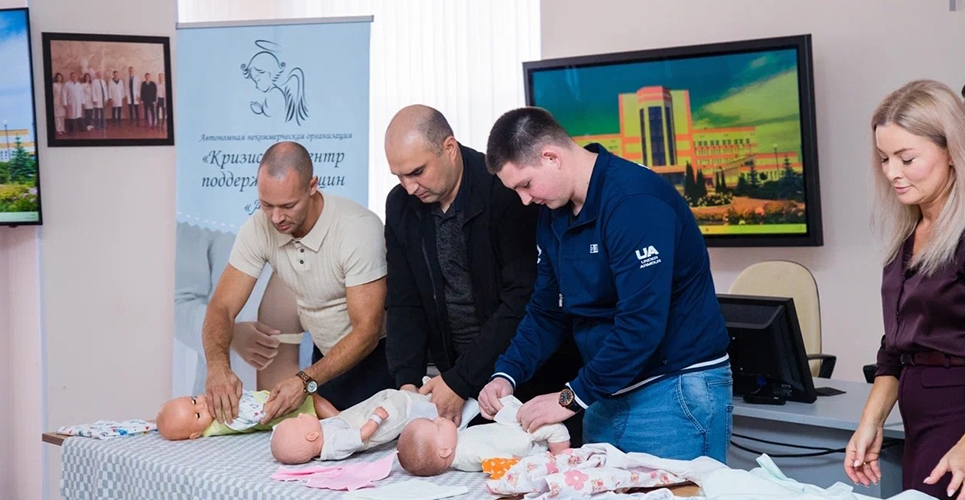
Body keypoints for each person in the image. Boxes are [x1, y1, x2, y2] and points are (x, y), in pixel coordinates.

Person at [477, 107, 732, 462]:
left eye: (526, 184)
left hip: (672, 391)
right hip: (604, 391)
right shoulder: (554, 215)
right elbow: (547, 310)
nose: (525, 199)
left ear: (551, 157)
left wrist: (569, 398)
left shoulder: (633, 202)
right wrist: (507, 374)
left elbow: (641, 322)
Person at [382, 105, 583, 437]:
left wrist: (462, 379)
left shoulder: (507, 189)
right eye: (399, 176)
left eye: (417, 172)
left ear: (449, 148)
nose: (409, 187)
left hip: (528, 371)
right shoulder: (400, 205)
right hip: (454, 376)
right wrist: (406, 383)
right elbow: (404, 301)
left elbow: (523, 299)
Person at [202, 141, 393, 427]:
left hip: (380, 359)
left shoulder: (357, 228)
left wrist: (304, 380)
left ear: (312, 186)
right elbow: (221, 306)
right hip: (325, 361)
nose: (276, 217)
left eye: (288, 206)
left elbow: (367, 330)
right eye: (267, 205)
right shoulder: (258, 228)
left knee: (378, 444)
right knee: (324, 442)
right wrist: (217, 368)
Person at [845, 80, 965, 499]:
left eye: (907, 158)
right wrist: (871, 421)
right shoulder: (909, 234)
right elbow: (896, 347)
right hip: (920, 418)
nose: (892, 172)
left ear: (951, 150)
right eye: (884, 158)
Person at [397, 395, 570, 477]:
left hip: (509, 430)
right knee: (556, 428)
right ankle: (562, 460)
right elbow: (495, 460)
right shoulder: (469, 451)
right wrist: (528, 463)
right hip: (523, 436)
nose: (438, 418)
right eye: (436, 425)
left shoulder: (456, 443)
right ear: (444, 451)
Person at [270, 388, 441, 464]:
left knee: (386, 395)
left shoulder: (318, 433)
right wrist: (376, 418)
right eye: (299, 420)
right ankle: (431, 405)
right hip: (372, 429)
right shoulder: (336, 444)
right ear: (311, 436)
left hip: (354, 418)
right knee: (399, 409)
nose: (300, 415)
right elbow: (362, 435)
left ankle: (416, 396)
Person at [155, 389, 326, 441]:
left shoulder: (215, 409)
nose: (202, 404)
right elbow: (254, 414)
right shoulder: (224, 420)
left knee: (316, 405)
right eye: (198, 415)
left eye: (194, 400)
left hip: (278, 405)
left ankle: (336, 418)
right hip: (284, 411)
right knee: (313, 400)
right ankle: (338, 418)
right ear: (196, 434)